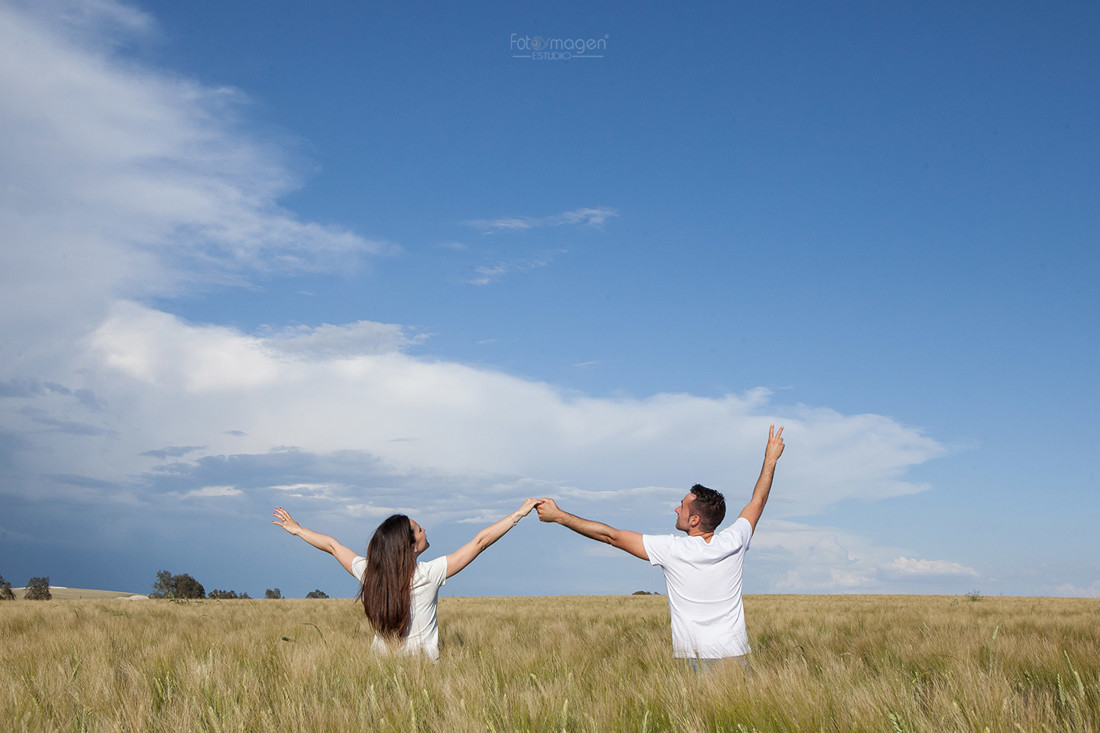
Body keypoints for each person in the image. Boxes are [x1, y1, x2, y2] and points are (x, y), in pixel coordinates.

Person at [536, 425, 785, 667]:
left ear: (694, 520)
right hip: (736, 658)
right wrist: (770, 460)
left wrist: (559, 516)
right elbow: (758, 501)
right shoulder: (735, 541)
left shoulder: (672, 549)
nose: (676, 509)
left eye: (682, 506)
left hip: (694, 660)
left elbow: (611, 536)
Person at [272, 498, 540, 661]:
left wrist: (298, 530)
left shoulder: (369, 573)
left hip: (381, 671)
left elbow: (332, 546)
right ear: (410, 546)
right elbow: (480, 542)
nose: (424, 530)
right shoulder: (428, 574)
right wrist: (518, 513)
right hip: (424, 674)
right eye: (419, 529)